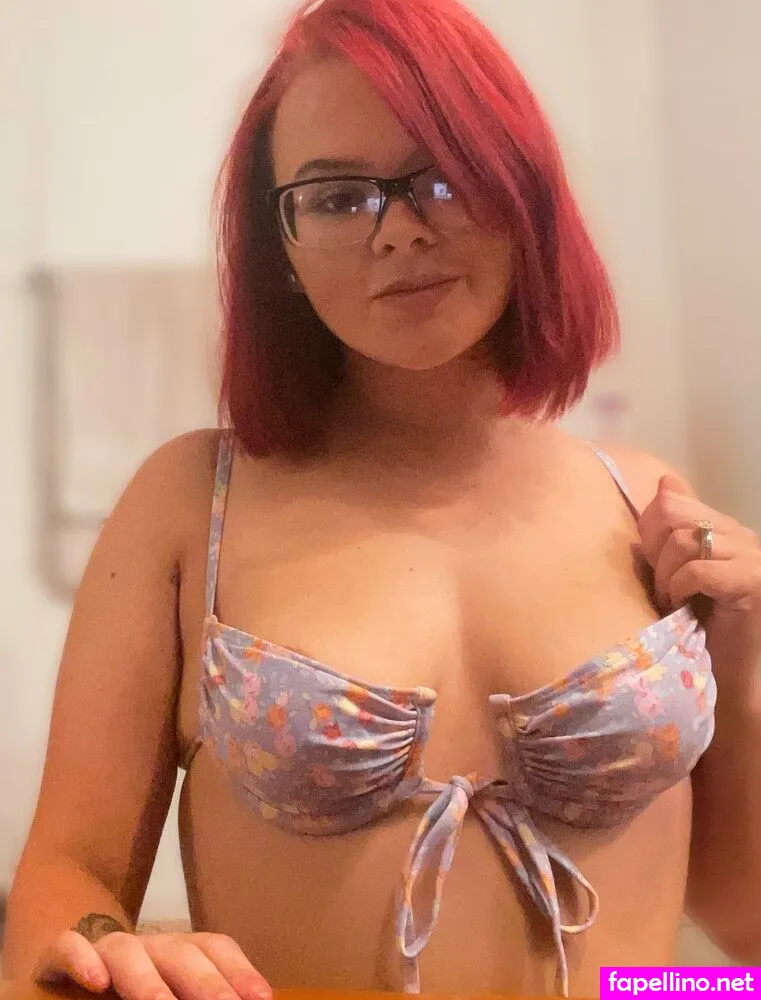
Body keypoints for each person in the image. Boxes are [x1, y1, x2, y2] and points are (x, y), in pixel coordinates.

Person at [4, 0, 761, 997]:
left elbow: (738, 932)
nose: (399, 230)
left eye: (444, 177)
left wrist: (746, 658)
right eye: (334, 198)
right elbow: (64, 881)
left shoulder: (645, 502)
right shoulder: (189, 505)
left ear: (521, 195)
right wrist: (108, 947)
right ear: (279, 245)